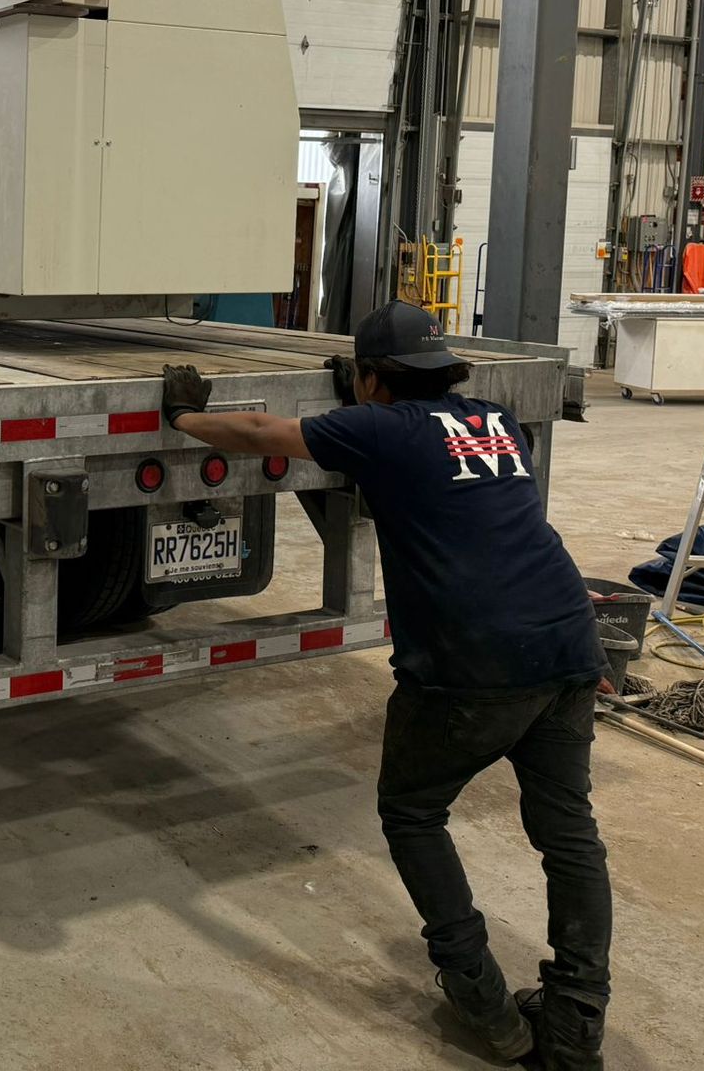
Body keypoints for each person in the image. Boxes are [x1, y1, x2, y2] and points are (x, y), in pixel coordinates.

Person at [160, 300, 611, 1070]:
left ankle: (482, 1000)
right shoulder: (495, 419)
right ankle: (575, 1026)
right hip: (569, 644)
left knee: (412, 810)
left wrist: (184, 418)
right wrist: (363, 410)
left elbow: (263, 433)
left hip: (472, 664)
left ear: (371, 378)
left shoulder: (378, 430)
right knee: (569, 836)